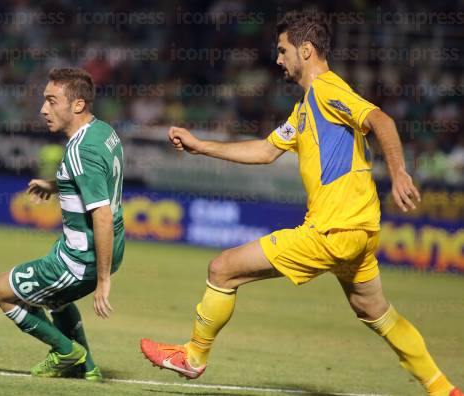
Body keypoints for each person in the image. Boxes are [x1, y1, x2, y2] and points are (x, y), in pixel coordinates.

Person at [140, 11, 461, 396]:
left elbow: (381, 120)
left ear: (305, 50)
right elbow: (264, 150)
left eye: (282, 50)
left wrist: (399, 172)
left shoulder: (327, 89)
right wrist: (201, 146)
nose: (278, 60)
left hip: (332, 229)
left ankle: (193, 356)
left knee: (222, 269)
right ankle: (443, 389)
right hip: (359, 232)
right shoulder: (304, 108)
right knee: (375, 312)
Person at [0, 67, 125, 381]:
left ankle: (66, 351)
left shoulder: (80, 150)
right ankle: (86, 367)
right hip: (108, 250)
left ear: (77, 105)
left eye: (52, 101)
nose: (43, 109)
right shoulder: (103, 132)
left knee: (1, 290)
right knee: (56, 299)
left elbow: (101, 216)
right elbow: (97, 178)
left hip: (81, 261)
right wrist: (57, 184)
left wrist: (103, 280)